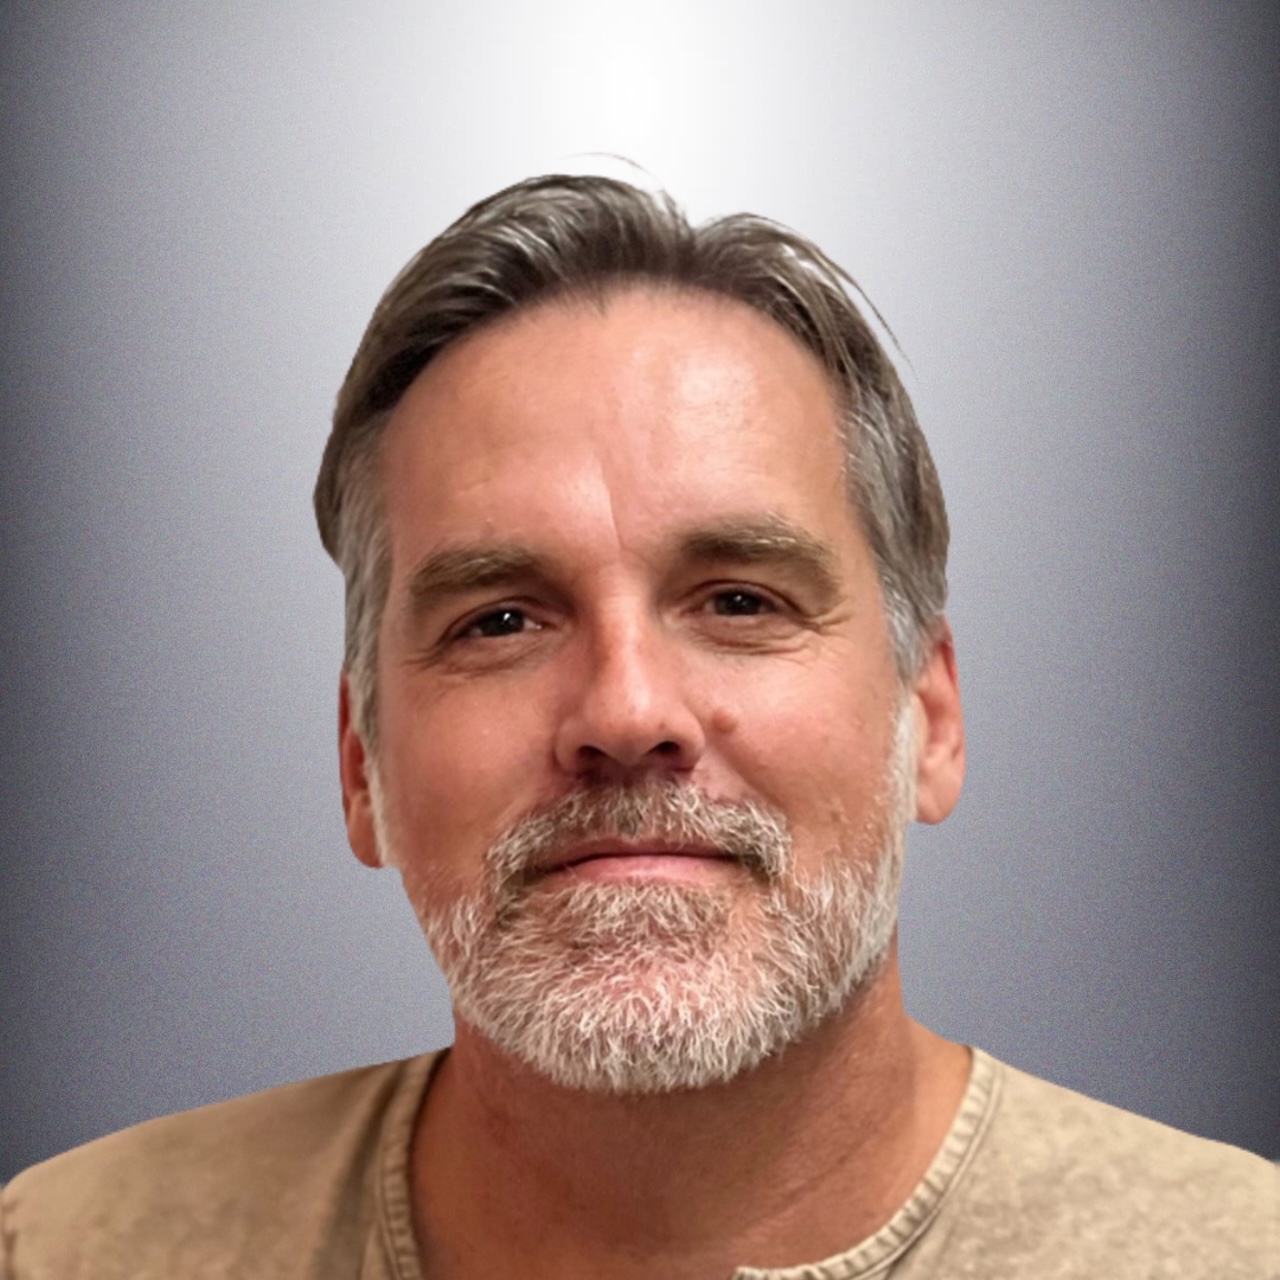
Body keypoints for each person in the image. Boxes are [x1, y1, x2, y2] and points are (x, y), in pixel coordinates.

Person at [2, 175, 1275, 1280]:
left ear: (928, 716)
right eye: (501, 619)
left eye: (738, 600)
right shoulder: (64, 1248)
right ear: (359, 766)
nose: (623, 712)